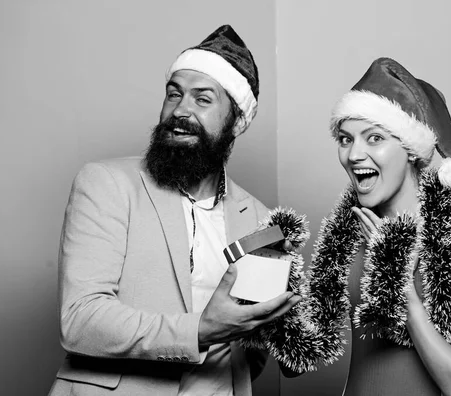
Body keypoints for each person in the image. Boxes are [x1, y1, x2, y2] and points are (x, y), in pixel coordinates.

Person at [48, 25, 301, 396]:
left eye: (203, 99)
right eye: (174, 94)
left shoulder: (260, 218)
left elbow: (253, 344)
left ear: (236, 122)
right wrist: (200, 331)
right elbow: (81, 320)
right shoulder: (106, 183)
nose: (181, 110)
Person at [274, 58, 451, 395]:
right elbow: (294, 364)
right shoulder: (348, 235)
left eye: (374, 138)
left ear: (410, 149)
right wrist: (274, 283)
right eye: (346, 139)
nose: (354, 155)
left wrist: (398, 283)